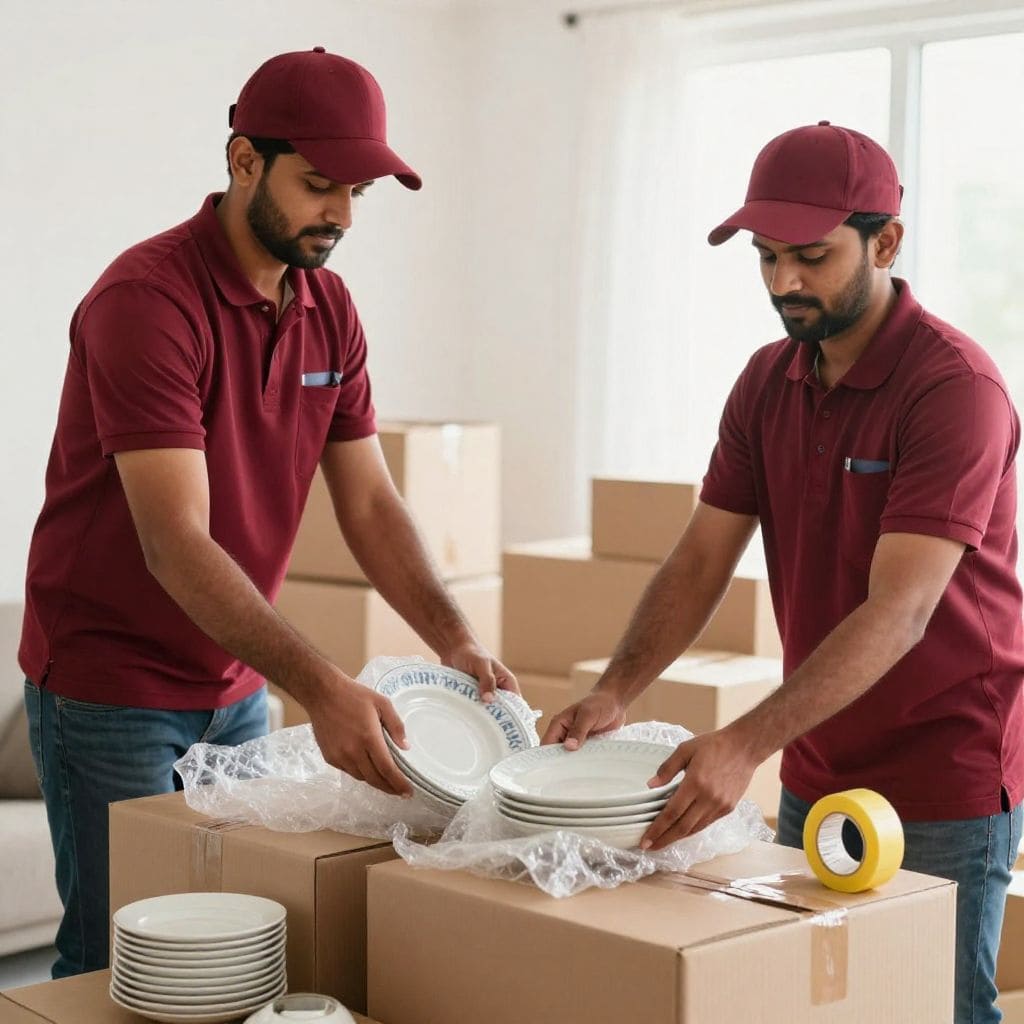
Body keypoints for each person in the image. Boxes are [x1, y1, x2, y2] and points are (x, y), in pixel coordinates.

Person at [20, 46, 516, 979]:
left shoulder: (330, 307)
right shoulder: (147, 302)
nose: (341, 216)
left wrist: (453, 638)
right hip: (109, 687)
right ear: (244, 160)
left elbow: (369, 500)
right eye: (319, 185)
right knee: (116, 961)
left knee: (233, 946)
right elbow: (176, 542)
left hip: (237, 687)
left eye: (357, 193)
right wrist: (324, 688)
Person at [544, 121, 1023, 1024]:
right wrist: (616, 689)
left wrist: (741, 744)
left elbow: (901, 611)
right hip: (815, 760)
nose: (783, 283)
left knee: (932, 1012)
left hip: (941, 778)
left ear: (886, 242)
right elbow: (700, 558)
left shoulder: (955, 388)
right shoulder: (767, 380)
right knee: (819, 1007)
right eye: (766, 256)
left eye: (811, 256)